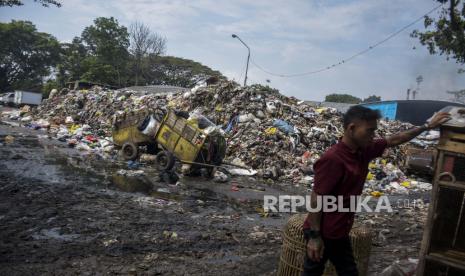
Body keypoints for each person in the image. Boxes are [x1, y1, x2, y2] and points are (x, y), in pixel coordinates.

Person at [302, 105, 450, 276]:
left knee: (344, 270)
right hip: (323, 231)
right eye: (370, 131)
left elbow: (394, 139)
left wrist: (427, 126)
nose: (373, 136)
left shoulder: (363, 150)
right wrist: (314, 236)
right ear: (352, 128)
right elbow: (316, 197)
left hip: (339, 229)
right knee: (316, 271)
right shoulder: (333, 159)